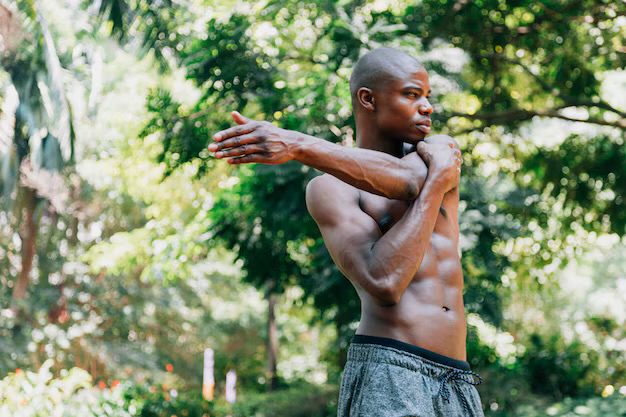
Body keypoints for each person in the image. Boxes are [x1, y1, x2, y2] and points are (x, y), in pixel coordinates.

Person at [209, 47, 484, 417]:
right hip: (389, 367)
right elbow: (385, 282)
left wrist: (296, 144)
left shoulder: (439, 150)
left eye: (427, 96)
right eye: (411, 94)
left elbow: (407, 180)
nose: (427, 107)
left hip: (458, 379)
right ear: (368, 99)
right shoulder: (329, 190)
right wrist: (435, 188)